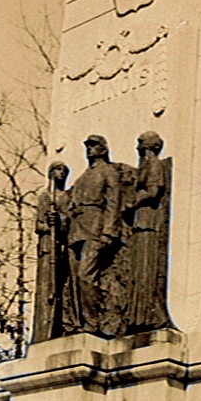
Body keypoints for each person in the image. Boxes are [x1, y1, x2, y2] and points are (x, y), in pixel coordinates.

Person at [67, 135, 121, 334]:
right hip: (77, 230)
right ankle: (77, 322)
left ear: (103, 149)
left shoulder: (108, 172)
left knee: (85, 276)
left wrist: (108, 232)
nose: (89, 149)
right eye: (87, 146)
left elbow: (113, 203)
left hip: (95, 228)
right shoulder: (83, 176)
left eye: (93, 146)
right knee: (74, 279)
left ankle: (93, 323)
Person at [126, 131, 171, 332]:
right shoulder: (145, 166)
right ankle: (137, 316)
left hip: (149, 221)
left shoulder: (154, 165)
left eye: (140, 143)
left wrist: (132, 203)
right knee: (139, 269)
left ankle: (147, 315)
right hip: (140, 221)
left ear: (149, 146)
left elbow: (153, 193)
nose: (137, 147)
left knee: (146, 267)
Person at [31, 162, 70, 343]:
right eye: (58, 170)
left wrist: (61, 221)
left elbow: (69, 221)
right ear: (51, 173)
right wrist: (49, 225)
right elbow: (38, 225)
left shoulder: (66, 197)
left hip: (62, 245)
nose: (61, 174)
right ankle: (43, 332)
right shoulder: (45, 196)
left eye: (64, 171)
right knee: (47, 288)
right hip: (48, 246)